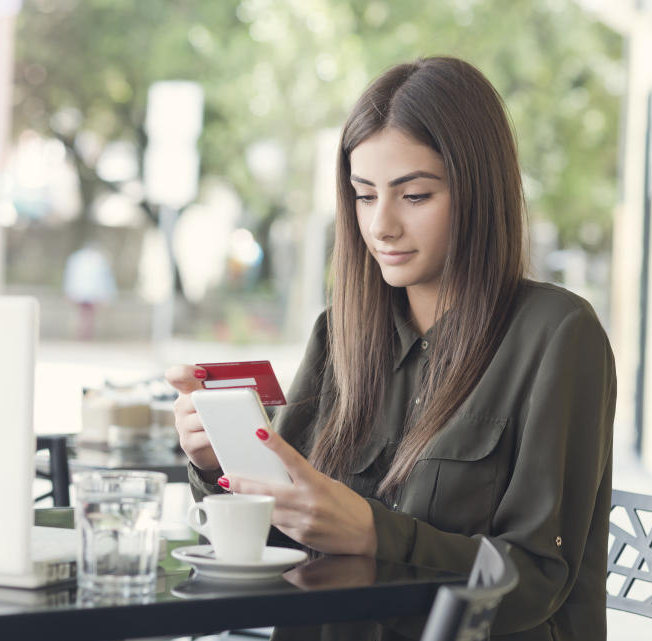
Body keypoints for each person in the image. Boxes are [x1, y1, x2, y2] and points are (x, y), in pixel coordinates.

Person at [167, 56, 615, 641]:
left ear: (479, 192)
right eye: (363, 194)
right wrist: (216, 465)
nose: (380, 226)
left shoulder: (557, 333)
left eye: (415, 195)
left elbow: (534, 580)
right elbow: (277, 546)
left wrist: (375, 534)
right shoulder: (340, 333)